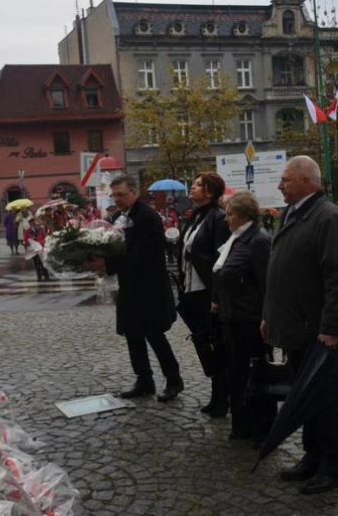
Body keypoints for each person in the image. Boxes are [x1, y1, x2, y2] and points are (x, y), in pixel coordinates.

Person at [262, 156, 338, 494]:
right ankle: (312, 457)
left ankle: (332, 467)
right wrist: (268, 315)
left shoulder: (328, 218)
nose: (279, 185)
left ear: (306, 181)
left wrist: (331, 329)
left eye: (285, 179)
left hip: (317, 331)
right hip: (294, 327)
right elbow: (280, 272)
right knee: (304, 398)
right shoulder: (293, 213)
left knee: (325, 402)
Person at [87, 175, 183, 402]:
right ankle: (144, 381)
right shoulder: (120, 217)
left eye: (121, 194)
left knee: (155, 335)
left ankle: (174, 379)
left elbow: (143, 255)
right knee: (133, 334)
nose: (117, 199)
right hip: (130, 287)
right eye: (114, 195)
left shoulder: (147, 217)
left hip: (149, 288)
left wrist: (107, 264)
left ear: (134, 193)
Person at [211, 191, 276, 443]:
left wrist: (266, 317)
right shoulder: (236, 239)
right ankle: (243, 424)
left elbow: (266, 283)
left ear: (243, 215)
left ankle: (263, 429)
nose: (226, 219)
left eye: (229, 214)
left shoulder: (258, 240)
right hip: (232, 318)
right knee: (237, 374)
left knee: (257, 375)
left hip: (250, 320)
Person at [178, 172, 231, 417]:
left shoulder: (218, 218)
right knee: (204, 343)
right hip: (192, 290)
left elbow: (221, 260)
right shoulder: (197, 216)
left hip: (206, 292)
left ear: (210, 192)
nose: (192, 187)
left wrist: (216, 297)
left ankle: (223, 397)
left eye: (198, 185)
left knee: (215, 344)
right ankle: (217, 393)